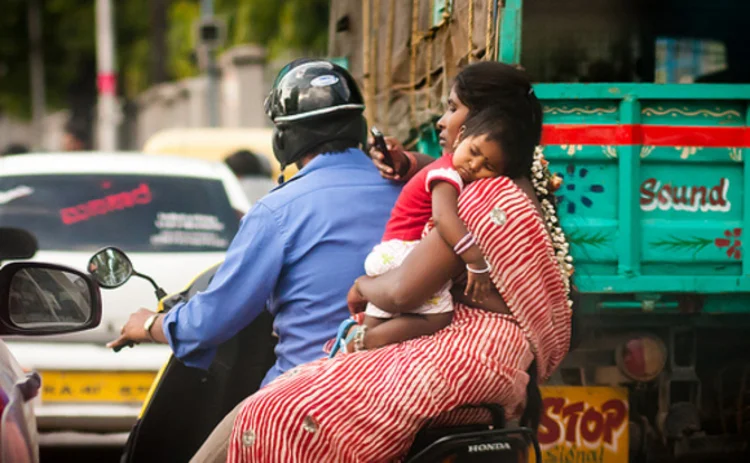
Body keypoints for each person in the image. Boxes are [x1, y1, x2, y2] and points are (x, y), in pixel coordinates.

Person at [197, 62, 572, 463]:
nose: (443, 122)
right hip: (499, 362)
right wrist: (410, 163)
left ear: (481, 123)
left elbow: (401, 291)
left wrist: (361, 288)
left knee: (273, 410)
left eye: (452, 109)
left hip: (467, 357)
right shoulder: (518, 191)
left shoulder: (480, 200)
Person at [108, 59, 401, 388]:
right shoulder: (410, 189)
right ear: (359, 125)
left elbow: (210, 321)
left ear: (284, 138)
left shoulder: (278, 210)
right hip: (407, 390)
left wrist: (149, 324)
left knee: (220, 443)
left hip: (305, 398)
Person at [334, 108, 515, 354]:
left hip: (391, 252)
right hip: (403, 252)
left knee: (378, 323)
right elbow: (444, 218)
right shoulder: (446, 174)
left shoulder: (451, 170)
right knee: (439, 316)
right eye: (473, 153)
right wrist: (475, 260)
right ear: (460, 137)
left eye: (488, 166)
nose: (474, 165)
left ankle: (360, 342)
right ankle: (369, 336)